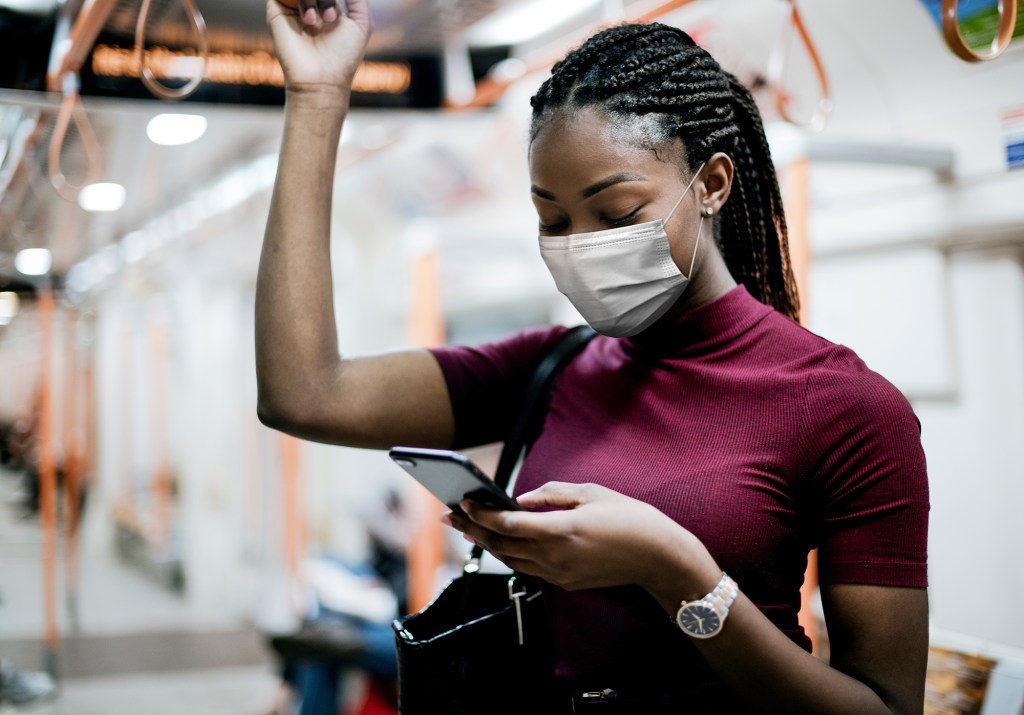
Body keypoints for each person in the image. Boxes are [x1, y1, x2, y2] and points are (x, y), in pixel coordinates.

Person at [258, 1, 930, 712]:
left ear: (711, 184)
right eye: (553, 219)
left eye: (615, 214)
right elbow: (303, 392)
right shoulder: (550, 367)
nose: (580, 245)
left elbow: (886, 706)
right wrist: (317, 95)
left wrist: (672, 567)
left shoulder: (844, 407)